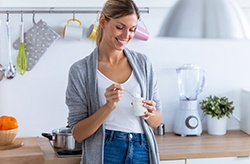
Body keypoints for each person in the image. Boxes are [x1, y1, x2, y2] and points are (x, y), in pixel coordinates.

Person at [66, 0, 162, 163]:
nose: (126, 36)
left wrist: (150, 113)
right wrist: (108, 106)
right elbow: (78, 133)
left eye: (132, 30)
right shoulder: (80, 71)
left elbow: (157, 120)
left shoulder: (143, 63)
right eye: (120, 27)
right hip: (106, 151)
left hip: (142, 149)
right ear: (103, 21)